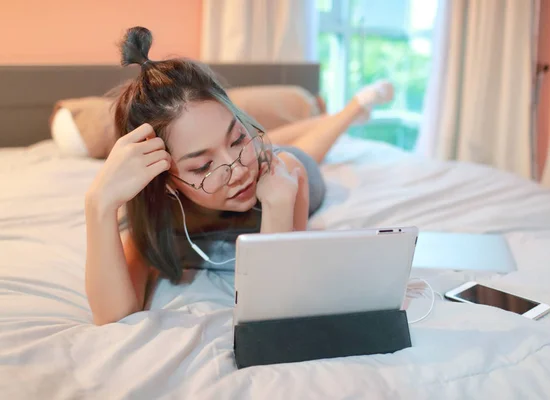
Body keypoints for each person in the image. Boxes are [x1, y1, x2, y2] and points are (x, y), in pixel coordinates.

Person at [85, 27, 395, 325]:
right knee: (265, 143)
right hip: (252, 154)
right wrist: (98, 205)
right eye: (202, 165)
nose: (237, 171)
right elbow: (112, 316)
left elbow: (274, 302)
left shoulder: (284, 175)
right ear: (163, 179)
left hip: (288, 168)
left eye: (237, 138)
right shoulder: (155, 213)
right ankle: (334, 115)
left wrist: (278, 207)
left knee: (302, 151)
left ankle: (351, 110)